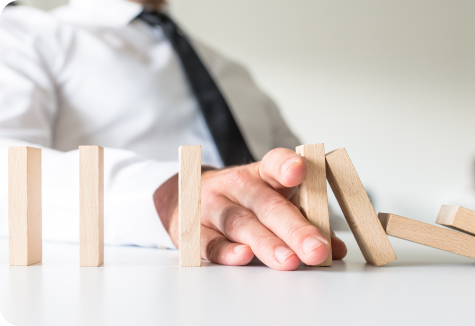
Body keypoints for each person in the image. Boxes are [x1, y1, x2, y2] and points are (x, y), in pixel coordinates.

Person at [0, 0, 346, 271]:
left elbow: (301, 186)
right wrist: (169, 196)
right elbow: (6, 166)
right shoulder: (21, 32)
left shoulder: (233, 72)